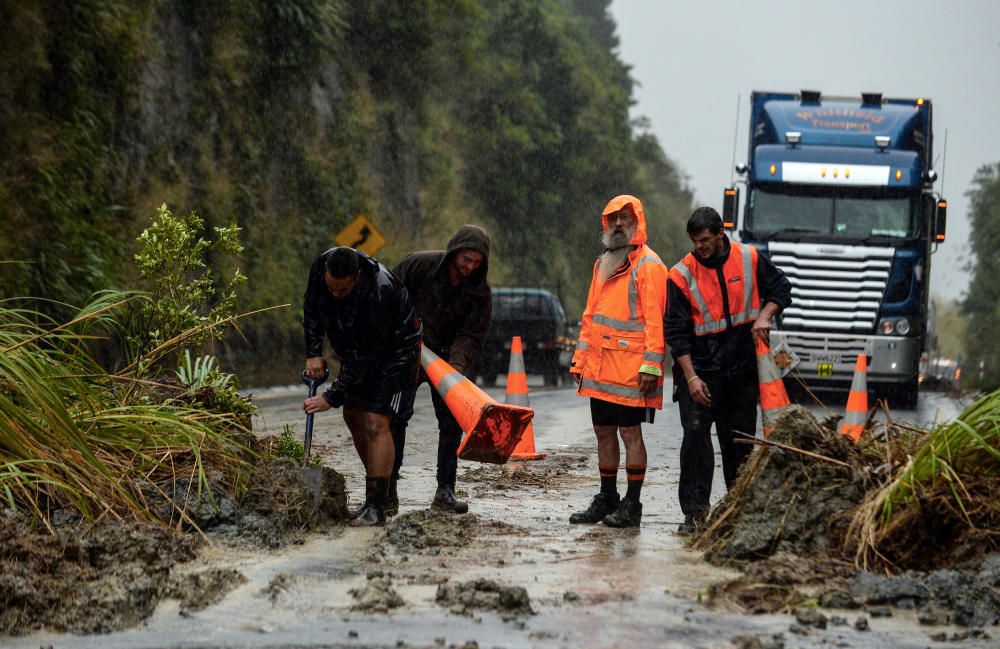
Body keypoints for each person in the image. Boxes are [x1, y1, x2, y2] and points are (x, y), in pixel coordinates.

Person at [665, 207, 791, 534]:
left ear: (721, 233)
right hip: (700, 374)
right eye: (694, 241)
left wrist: (765, 316)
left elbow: (781, 288)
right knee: (695, 438)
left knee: (739, 446)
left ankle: (738, 512)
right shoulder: (680, 275)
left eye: (705, 240)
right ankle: (694, 514)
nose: (700, 247)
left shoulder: (749, 259)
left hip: (740, 374)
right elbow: (676, 333)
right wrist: (691, 378)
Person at [303, 246, 422, 526]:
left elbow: (364, 357)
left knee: (375, 422)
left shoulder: (380, 293)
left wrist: (330, 397)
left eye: (342, 291)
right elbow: (312, 308)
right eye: (331, 288)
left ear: (356, 277)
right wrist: (313, 351)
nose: (335, 294)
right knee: (353, 415)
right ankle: (379, 495)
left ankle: (376, 508)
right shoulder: (321, 269)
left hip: (396, 354)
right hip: (358, 352)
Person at [568, 195, 668, 529]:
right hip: (599, 369)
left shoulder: (649, 265)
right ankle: (607, 496)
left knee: (630, 433)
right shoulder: (603, 264)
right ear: (605, 224)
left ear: (638, 221)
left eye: (625, 218)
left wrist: (651, 366)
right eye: (613, 219)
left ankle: (632, 504)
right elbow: (590, 317)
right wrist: (580, 361)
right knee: (603, 432)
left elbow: (655, 320)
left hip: (631, 370)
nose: (619, 224)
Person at [390, 225, 492, 514]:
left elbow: (474, 333)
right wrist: (402, 332)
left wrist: (456, 366)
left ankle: (445, 490)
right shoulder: (418, 265)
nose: (469, 267)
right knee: (396, 418)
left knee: (451, 423)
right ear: (454, 252)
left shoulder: (480, 291)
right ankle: (388, 489)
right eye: (465, 260)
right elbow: (388, 294)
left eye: (476, 263)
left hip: (447, 359)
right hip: (408, 351)